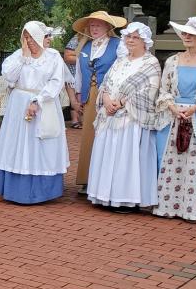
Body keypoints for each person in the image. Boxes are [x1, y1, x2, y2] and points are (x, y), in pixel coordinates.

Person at [85, 23, 162, 212]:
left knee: (126, 160)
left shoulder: (150, 63)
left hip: (132, 119)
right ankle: (105, 196)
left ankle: (126, 199)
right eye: (128, 37)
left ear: (144, 41)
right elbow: (105, 83)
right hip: (110, 115)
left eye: (135, 37)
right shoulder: (120, 60)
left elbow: (150, 91)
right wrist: (106, 99)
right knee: (109, 154)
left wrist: (121, 103)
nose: (130, 40)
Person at [152, 16, 196, 223]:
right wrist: (173, 107)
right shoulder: (172, 60)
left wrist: (195, 108)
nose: (187, 36)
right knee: (170, 161)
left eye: (192, 33)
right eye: (185, 33)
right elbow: (164, 90)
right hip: (174, 117)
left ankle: (195, 210)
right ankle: (166, 206)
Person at [0, 21, 69, 204]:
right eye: (26, 37)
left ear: (41, 37)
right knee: (18, 143)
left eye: (32, 37)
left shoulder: (53, 57)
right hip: (19, 104)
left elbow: (56, 82)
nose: (29, 41)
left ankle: (42, 191)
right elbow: (9, 78)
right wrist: (23, 57)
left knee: (41, 143)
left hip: (45, 103)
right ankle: (16, 189)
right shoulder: (17, 56)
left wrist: (38, 101)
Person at [72, 11, 127, 193]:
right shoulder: (86, 47)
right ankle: (87, 179)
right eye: (92, 25)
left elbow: (123, 70)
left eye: (98, 25)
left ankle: (104, 180)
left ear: (108, 27)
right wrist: (79, 95)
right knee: (89, 136)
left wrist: (116, 96)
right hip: (90, 95)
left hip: (109, 96)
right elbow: (79, 73)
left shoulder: (118, 45)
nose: (94, 29)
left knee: (106, 136)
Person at [63, 35, 83, 128]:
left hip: (84, 75)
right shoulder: (76, 39)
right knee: (74, 98)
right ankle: (75, 121)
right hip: (72, 74)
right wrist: (84, 58)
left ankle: (82, 120)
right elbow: (67, 56)